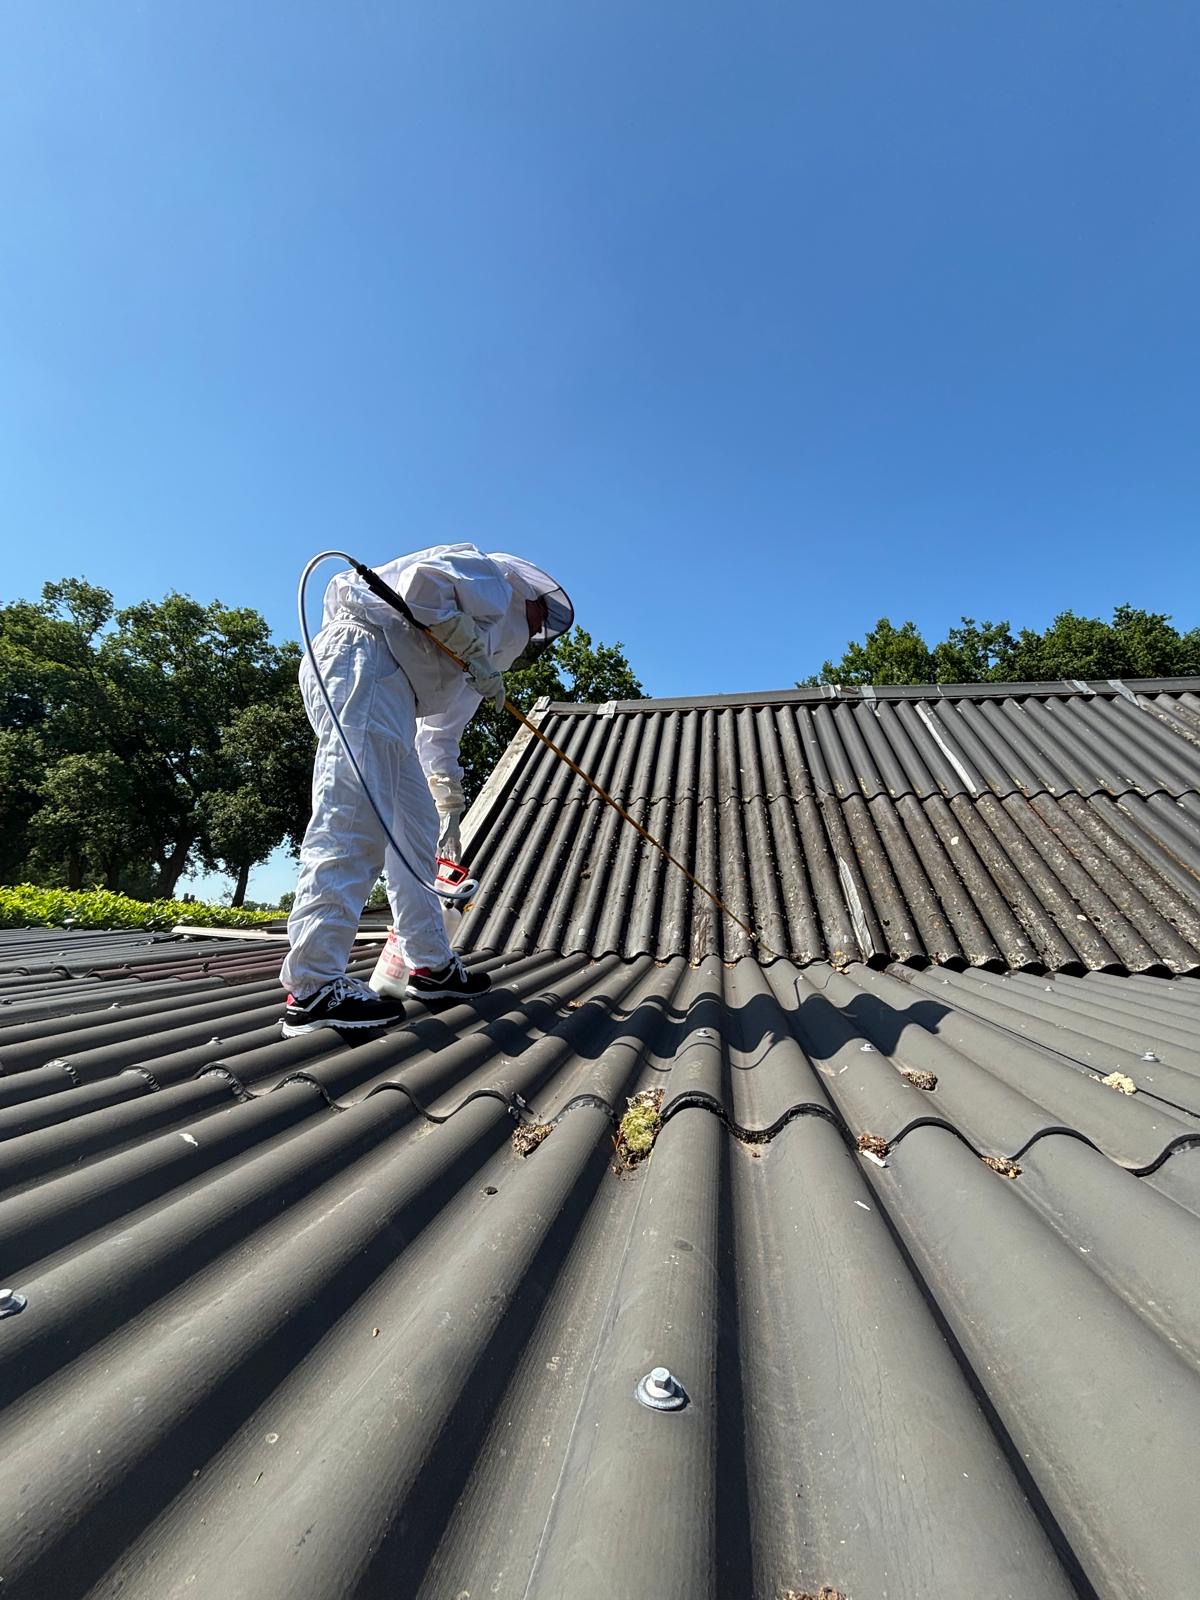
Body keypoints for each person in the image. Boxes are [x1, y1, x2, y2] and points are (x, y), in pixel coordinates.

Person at [279, 543, 573, 1036]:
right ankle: (313, 985)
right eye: (538, 616)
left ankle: (431, 965)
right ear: (528, 596)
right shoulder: (491, 578)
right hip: (362, 656)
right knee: (353, 818)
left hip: (394, 688)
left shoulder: (472, 665)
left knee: (416, 836)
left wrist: (449, 803)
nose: (537, 628)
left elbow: (438, 737)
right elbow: (420, 585)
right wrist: (470, 647)